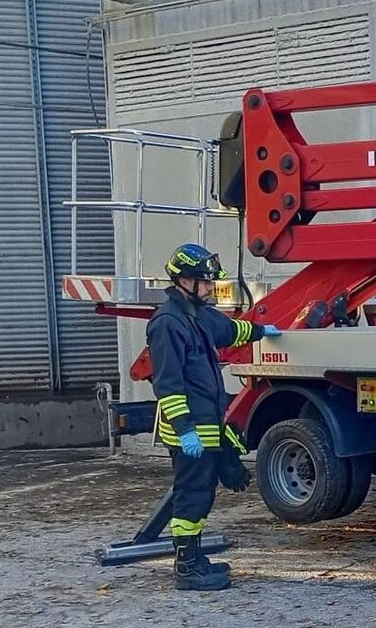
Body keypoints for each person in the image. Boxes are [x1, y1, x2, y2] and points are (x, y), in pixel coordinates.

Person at [147, 243, 281, 590]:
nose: (211, 288)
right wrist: (185, 430)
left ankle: (194, 558)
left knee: (203, 493)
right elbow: (168, 385)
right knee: (192, 495)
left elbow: (230, 331)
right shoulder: (167, 324)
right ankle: (186, 569)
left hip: (206, 424)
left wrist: (262, 332)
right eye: (205, 282)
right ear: (184, 281)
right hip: (189, 430)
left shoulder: (197, 314)